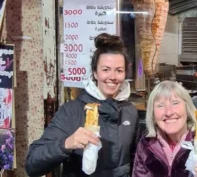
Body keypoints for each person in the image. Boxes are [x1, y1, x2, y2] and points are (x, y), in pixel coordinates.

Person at [25, 33, 139, 177]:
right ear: (95, 73)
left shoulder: (130, 112)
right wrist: (66, 144)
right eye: (105, 69)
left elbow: (137, 162)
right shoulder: (71, 112)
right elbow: (32, 164)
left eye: (119, 70)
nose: (112, 77)